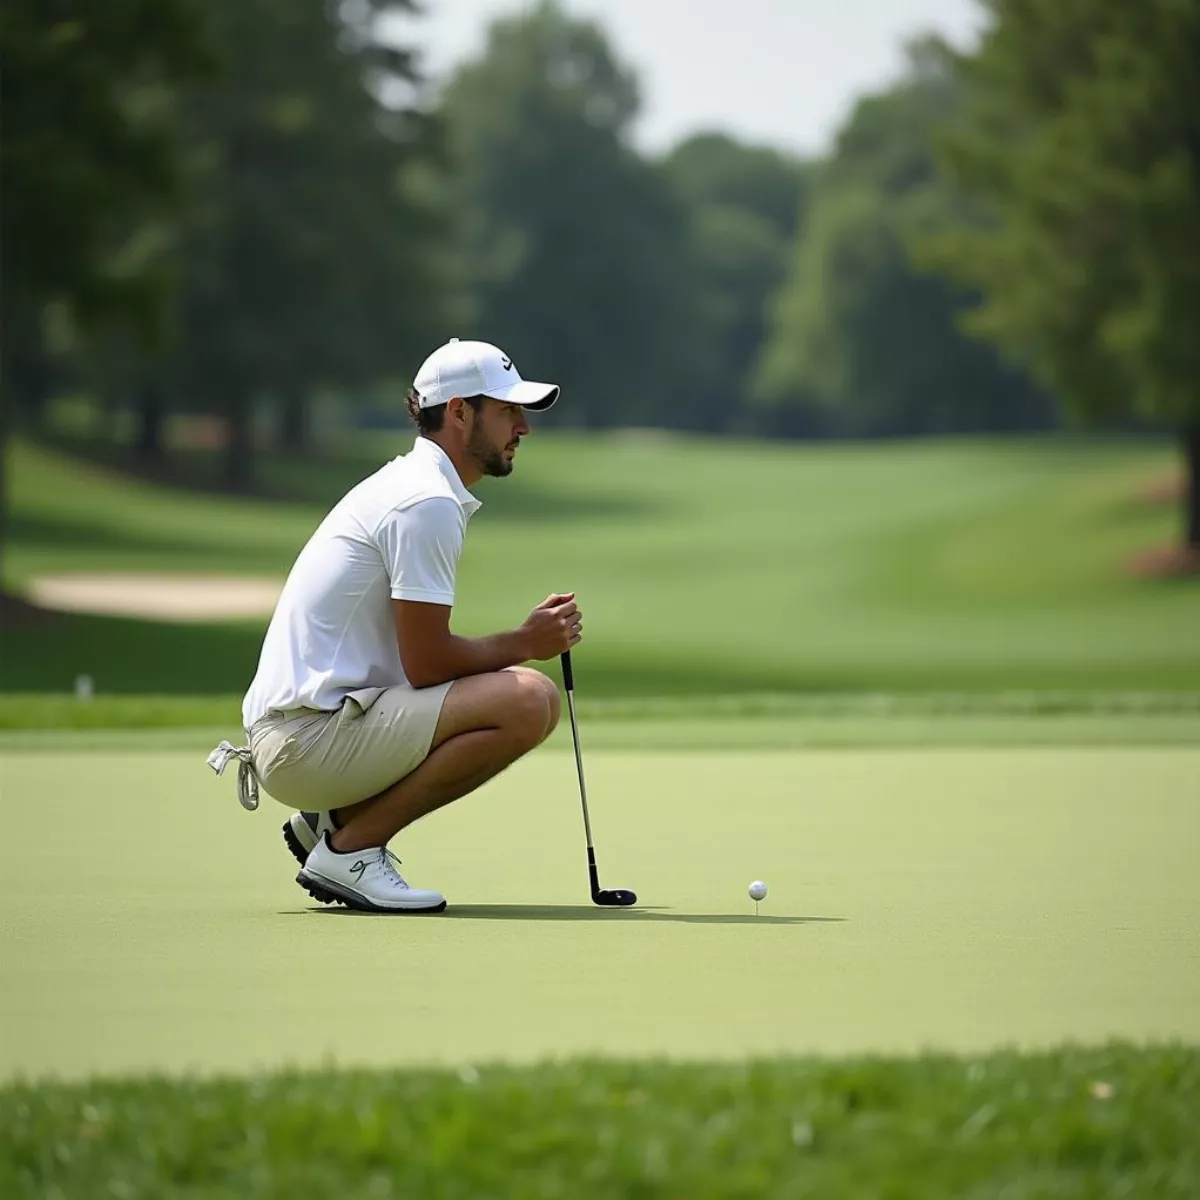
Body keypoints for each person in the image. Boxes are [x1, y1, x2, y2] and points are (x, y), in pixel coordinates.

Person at [207, 338, 582, 913]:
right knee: (528, 699)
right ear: (459, 411)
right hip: (304, 740)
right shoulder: (425, 501)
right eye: (508, 410)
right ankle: (351, 849)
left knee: (535, 700)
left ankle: (331, 825)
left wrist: (520, 645)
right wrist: (524, 643)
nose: (523, 427)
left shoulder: (417, 486)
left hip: (307, 730)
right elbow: (426, 664)